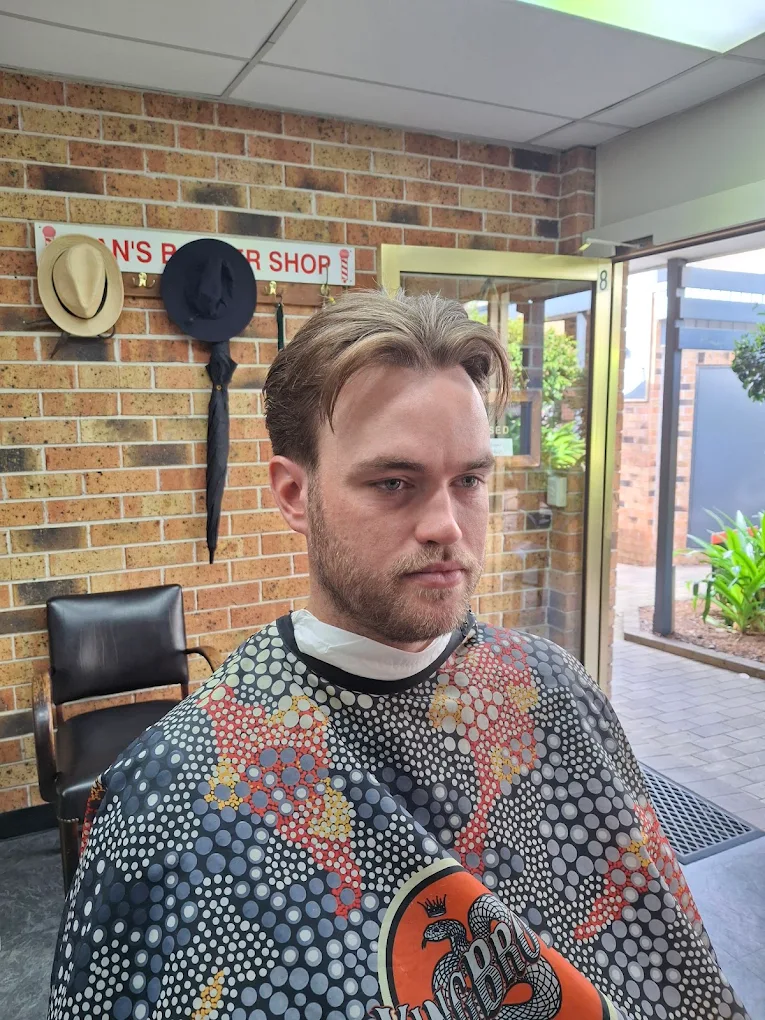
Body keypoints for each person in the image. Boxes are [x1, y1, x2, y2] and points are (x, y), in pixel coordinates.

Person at [49, 291, 748, 1020]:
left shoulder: (552, 689)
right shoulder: (175, 787)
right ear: (294, 493)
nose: (447, 525)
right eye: (393, 483)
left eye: (469, 481)